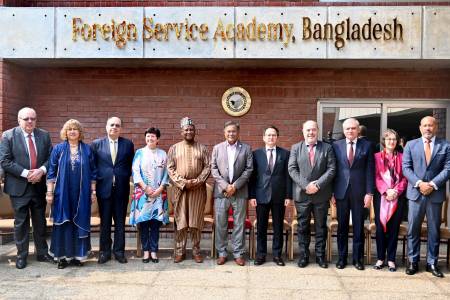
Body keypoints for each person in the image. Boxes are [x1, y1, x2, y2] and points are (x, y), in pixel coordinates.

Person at [0, 107, 53, 269]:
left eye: (33, 118)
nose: (30, 121)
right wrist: (26, 173)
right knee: (21, 223)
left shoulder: (44, 135)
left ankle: (42, 253)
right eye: (26, 119)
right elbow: (5, 161)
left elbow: (51, 158)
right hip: (18, 187)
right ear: (19, 120)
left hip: (39, 186)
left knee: (40, 222)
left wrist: (41, 171)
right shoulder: (8, 136)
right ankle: (21, 255)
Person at [403, 116, 450, 278]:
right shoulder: (411, 145)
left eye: (431, 125)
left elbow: (448, 168)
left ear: (436, 127)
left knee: (434, 231)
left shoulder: (446, 145)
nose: (428, 128)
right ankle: (413, 261)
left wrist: (432, 184)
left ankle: (432, 262)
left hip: (435, 194)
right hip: (416, 194)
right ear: (420, 128)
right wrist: (419, 183)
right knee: (413, 229)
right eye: (425, 125)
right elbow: (406, 168)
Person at [46, 119, 97, 269]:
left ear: (80, 132)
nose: (72, 131)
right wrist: (49, 192)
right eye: (69, 129)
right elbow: (51, 172)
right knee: (63, 223)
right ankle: (62, 257)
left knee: (79, 221)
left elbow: (94, 173)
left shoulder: (87, 150)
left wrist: (93, 192)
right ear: (65, 132)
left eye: (75, 129)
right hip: (62, 194)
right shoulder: (58, 149)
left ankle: (77, 256)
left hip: (82, 194)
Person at [288, 120, 336, 268]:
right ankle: (304, 256)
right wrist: (306, 185)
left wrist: (317, 185)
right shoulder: (296, 148)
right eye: (308, 130)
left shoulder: (327, 148)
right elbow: (292, 169)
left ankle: (320, 256)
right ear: (303, 131)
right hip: (302, 195)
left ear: (317, 131)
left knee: (321, 227)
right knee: (303, 227)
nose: (311, 133)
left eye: (313, 130)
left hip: (321, 195)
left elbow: (331, 169)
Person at [331, 118, 375, 270]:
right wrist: (331, 192)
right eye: (347, 128)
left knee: (358, 227)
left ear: (358, 130)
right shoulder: (336, 146)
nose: (350, 131)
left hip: (360, 193)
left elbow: (370, 171)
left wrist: (369, 192)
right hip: (341, 192)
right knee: (342, 227)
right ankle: (342, 258)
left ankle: (358, 259)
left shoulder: (367, 146)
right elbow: (333, 170)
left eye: (353, 128)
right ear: (344, 131)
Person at [167, 117, 211, 263]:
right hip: (180, 190)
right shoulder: (174, 148)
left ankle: (196, 251)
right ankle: (180, 251)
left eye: (191, 129)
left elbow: (208, 167)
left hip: (198, 191)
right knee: (181, 221)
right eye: (186, 129)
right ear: (181, 131)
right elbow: (170, 168)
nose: (189, 132)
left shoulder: (202, 148)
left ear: (195, 131)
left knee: (195, 221)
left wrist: (197, 182)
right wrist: (183, 183)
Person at [91, 117, 134, 264]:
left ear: (120, 128)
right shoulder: (96, 144)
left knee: (120, 223)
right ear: (106, 126)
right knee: (105, 223)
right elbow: (93, 167)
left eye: (117, 125)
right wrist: (94, 188)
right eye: (112, 125)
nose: (114, 127)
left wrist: (123, 176)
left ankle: (119, 252)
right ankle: (104, 252)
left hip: (121, 189)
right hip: (104, 189)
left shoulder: (128, 144)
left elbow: (130, 165)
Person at [211, 121, 253, 266]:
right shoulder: (217, 148)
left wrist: (235, 186)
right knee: (221, 223)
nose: (231, 134)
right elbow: (214, 169)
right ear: (224, 133)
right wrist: (225, 186)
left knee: (239, 224)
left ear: (238, 132)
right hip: (221, 193)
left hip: (240, 192)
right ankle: (222, 252)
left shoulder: (246, 148)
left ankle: (238, 253)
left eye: (234, 131)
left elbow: (249, 169)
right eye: (228, 131)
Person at [249, 125, 292, 266]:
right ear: (263, 137)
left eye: (273, 135)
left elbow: (288, 176)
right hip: (261, 196)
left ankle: (277, 255)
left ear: (277, 137)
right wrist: (252, 196)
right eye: (268, 135)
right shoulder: (256, 154)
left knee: (278, 226)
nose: (271, 137)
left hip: (279, 196)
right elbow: (253, 177)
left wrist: (288, 196)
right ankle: (261, 255)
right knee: (261, 227)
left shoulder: (285, 154)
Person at [129, 127, 169, 263]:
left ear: (157, 139)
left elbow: (166, 174)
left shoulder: (163, 154)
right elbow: (135, 172)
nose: (150, 139)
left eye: (153, 136)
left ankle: (154, 251)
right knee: (144, 224)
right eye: (148, 136)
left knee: (155, 224)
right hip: (143, 195)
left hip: (159, 195)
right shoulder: (139, 153)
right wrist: (145, 187)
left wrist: (160, 189)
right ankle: (146, 251)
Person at [373, 129, 407, 272]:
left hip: (397, 198)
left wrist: (396, 191)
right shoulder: (376, 157)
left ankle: (391, 259)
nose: (391, 141)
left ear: (397, 141)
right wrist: (386, 191)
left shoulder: (403, 157)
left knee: (394, 228)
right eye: (388, 139)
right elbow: (375, 176)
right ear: (384, 141)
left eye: (394, 139)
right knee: (380, 228)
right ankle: (380, 258)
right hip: (381, 197)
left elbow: (406, 177)